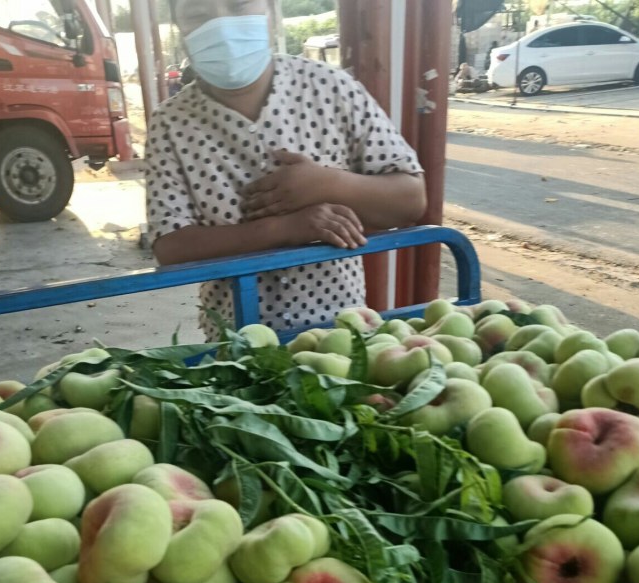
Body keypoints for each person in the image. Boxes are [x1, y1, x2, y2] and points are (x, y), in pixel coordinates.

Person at [145, 0, 427, 340]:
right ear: (181, 31)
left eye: (237, 5)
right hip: (236, 349)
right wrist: (285, 229)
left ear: (273, 13)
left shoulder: (331, 88)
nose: (221, 26)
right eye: (197, 14)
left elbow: (411, 199)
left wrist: (327, 183)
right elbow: (171, 247)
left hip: (342, 334)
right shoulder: (170, 123)